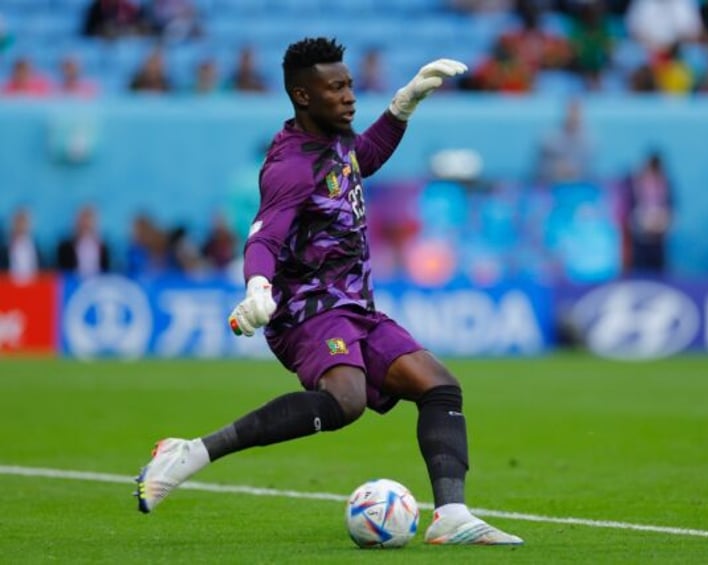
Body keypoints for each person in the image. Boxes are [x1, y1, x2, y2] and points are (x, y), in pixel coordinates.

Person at [134, 36, 523, 546]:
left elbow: (362, 159)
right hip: (308, 310)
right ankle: (192, 453)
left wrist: (403, 106)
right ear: (302, 96)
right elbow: (265, 233)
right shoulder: (291, 164)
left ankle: (451, 515)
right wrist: (257, 286)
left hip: (355, 306)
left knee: (439, 386)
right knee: (345, 401)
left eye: (350, 85)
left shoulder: (335, 141)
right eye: (335, 88)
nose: (348, 97)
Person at [56, 205, 110, 277]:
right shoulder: (65, 247)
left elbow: (106, 271)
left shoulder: (103, 247)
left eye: (89, 220)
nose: (86, 224)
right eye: (83, 220)